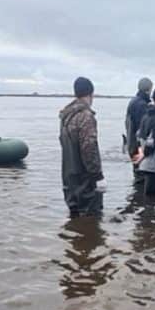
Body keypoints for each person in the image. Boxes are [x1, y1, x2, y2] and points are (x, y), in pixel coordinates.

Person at [59, 77, 104, 216]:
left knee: (75, 222)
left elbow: (62, 142)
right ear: (91, 94)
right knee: (92, 225)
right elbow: (89, 148)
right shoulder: (86, 116)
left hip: (69, 181)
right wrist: (98, 176)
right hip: (85, 183)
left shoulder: (65, 116)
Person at [125, 77, 153, 178]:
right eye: (151, 89)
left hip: (131, 144)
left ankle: (136, 193)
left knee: (137, 174)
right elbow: (142, 130)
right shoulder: (141, 105)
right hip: (138, 147)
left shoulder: (133, 101)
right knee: (142, 177)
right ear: (148, 89)